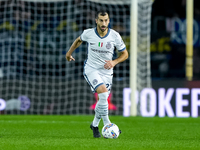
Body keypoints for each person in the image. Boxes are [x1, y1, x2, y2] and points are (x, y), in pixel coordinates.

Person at [66, 9, 128, 138]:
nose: (103, 23)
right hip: (91, 69)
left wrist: (114, 62)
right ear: (96, 21)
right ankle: (108, 125)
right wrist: (69, 53)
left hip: (107, 72)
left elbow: (125, 54)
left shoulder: (115, 36)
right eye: (101, 20)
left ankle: (94, 125)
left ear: (109, 21)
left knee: (103, 99)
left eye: (106, 20)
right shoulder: (88, 33)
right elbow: (78, 40)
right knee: (104, 94)